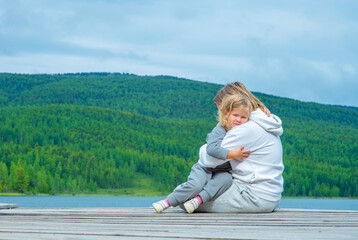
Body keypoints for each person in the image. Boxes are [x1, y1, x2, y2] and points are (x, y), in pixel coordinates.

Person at [152, 94, 253, 214]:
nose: (238, 119)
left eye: (243, 117)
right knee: (196, 185)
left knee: (226, 180)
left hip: (223, 170)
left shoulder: (243, 133)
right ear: (226, 114)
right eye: (235, 115)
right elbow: (212, 149)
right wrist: (234, 154)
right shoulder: (220, 130)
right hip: (204, 168)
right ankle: (167, 202)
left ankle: (197, 200)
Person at [194, 82, 284, 213]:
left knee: (185, 198)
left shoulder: (243, 129)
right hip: (270, 195)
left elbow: (210, 159)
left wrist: (216, 132)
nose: (222, 115)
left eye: (222, 110)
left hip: (252, 196)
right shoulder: (262, 122)